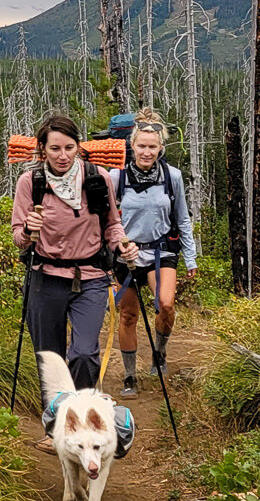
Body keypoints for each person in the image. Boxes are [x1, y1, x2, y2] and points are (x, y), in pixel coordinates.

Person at [11, 114, 139, 393]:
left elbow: (112, 225)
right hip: (45, 278)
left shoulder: (97, 177)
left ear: (78, 147)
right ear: (42, 149)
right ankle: (54, 427)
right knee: (50, 360)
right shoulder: (29, 182)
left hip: (91, 278)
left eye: (69, 148)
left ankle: (79, 417)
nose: (62, 156)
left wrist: (123, 244)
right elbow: (19, 239)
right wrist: (27, 230)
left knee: (83, 353)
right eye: (55, 149)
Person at [110, 119, 197, 397]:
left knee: (166, 304)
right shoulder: (116, 178)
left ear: (161, 148)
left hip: (162, 250)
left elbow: (182, 217)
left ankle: (159, 354)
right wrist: (115, 248)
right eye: (141, 146)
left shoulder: (172, 176)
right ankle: (129, 376)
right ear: (132, 146)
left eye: (152, 147)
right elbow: (106, 219)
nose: (147, 152)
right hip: (126, 254)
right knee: (128, 315)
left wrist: (191, 257)